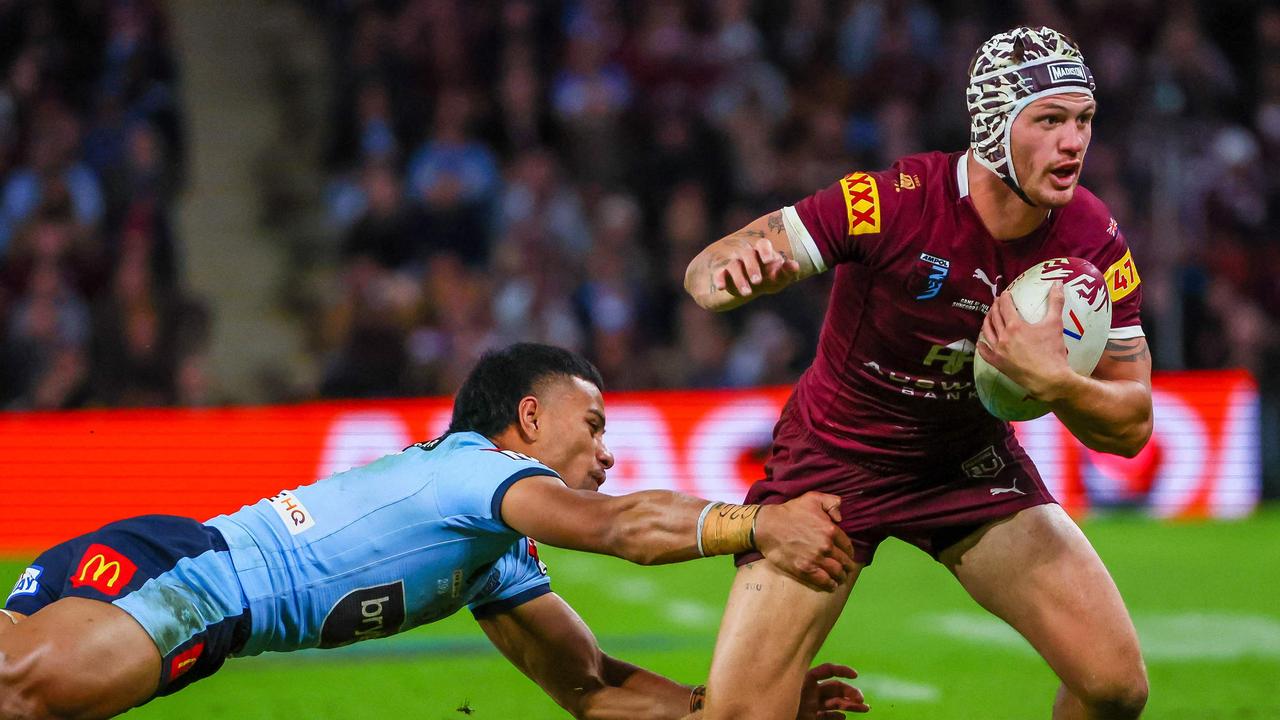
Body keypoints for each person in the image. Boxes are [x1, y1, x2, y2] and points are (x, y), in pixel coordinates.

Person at [0, 343, 868, 719]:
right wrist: (757, 524)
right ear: (529, 418)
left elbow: (594, 688)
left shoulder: (495, 559)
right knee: (27, 694)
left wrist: (736, 710)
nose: (608, 451)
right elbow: (618, 528)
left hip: (203, 611)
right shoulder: (472, 472)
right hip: (184, 579)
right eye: (593, 425)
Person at [683, 26, 1152, 719]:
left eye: (1082, 119)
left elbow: (1133, 423)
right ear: (993, 126)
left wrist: (1059, 384)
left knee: (1116, 687)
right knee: (738, 715)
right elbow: (706, 273)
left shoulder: (1095, 239)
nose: (1074, 141)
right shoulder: (894, 200)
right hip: (834, 467)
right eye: (1049, 120)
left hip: (965, 465)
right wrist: (736, 274)